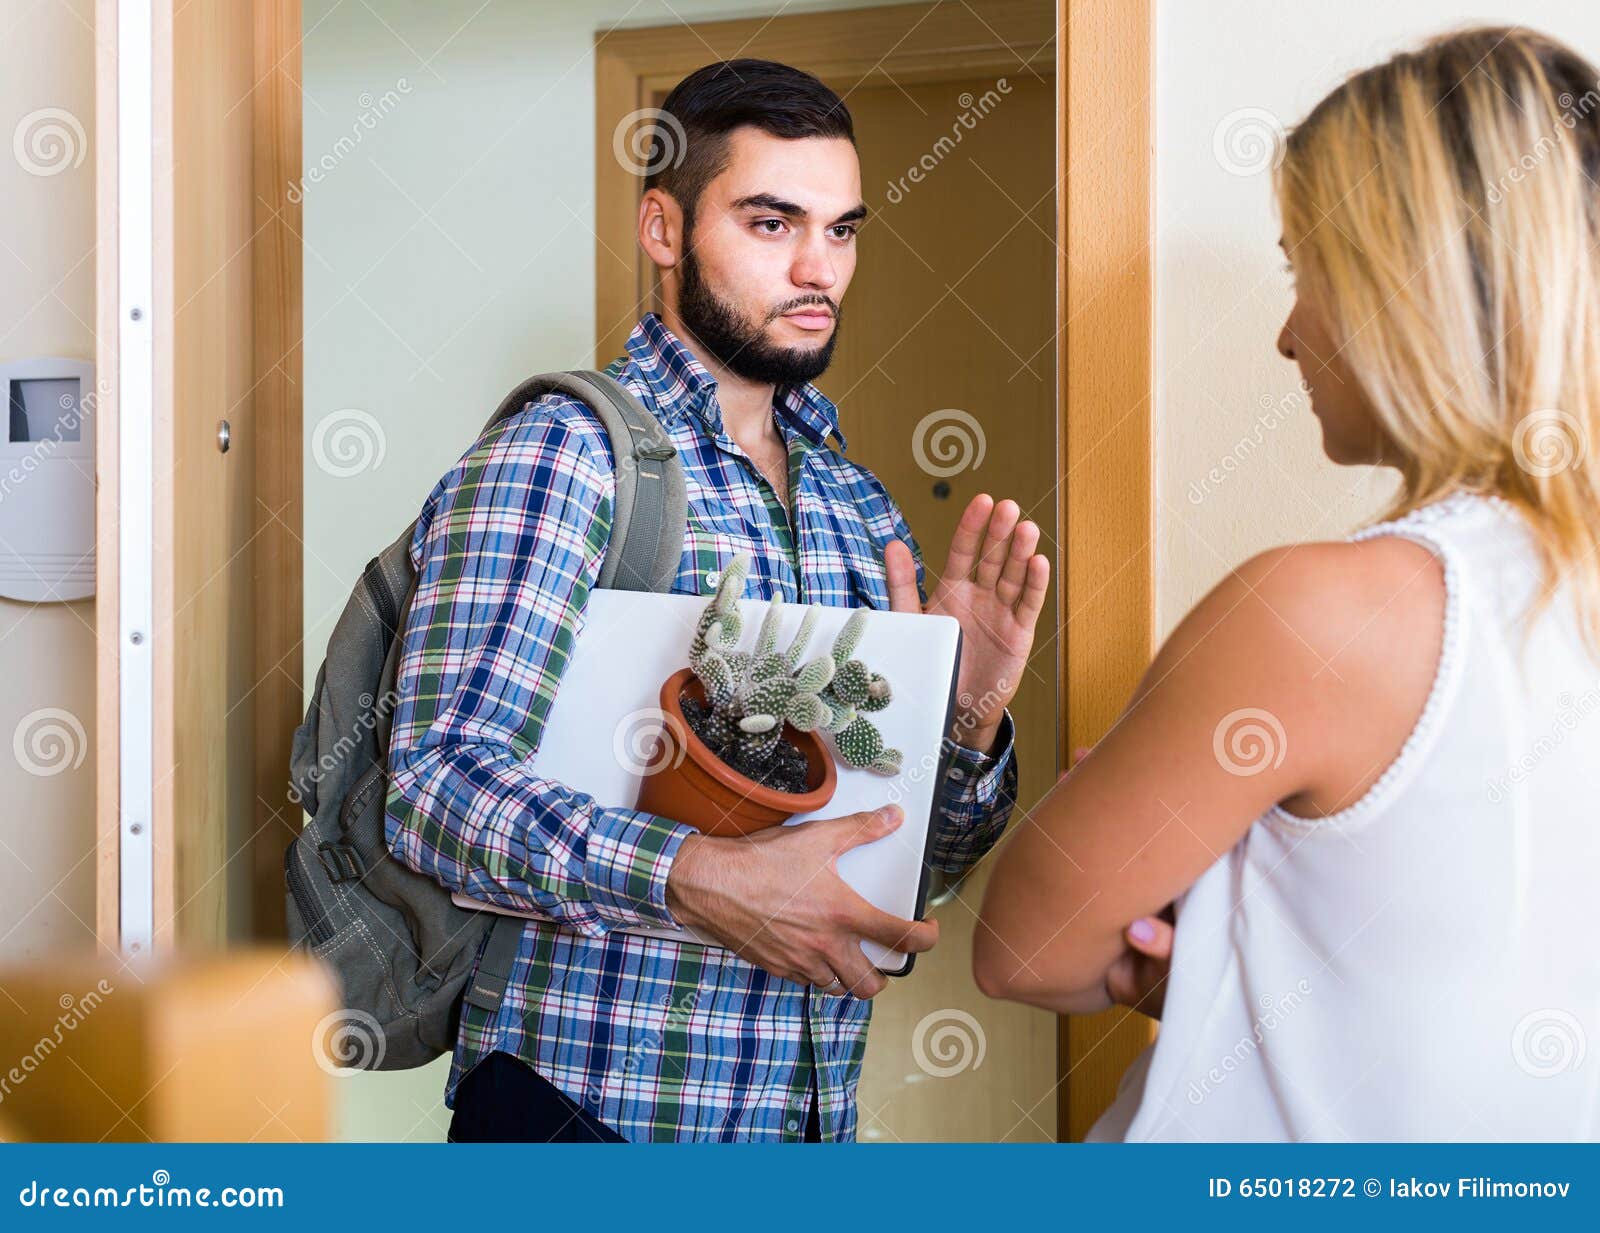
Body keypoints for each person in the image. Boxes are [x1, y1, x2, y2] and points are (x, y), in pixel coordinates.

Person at [383, 58, 1049, 1142]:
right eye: (771, 222)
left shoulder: (856, 501)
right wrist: (696, 875)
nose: (817, 267)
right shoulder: (565, 454)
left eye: (840, 230)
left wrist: (966, 717)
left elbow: (906, 863)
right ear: (662, 228)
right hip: (580, 1124)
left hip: (801, 1125)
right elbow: (436, 790)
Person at [976, 25, 1600, 1142]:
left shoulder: (1323, 612)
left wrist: (1207, 942)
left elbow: (1024, 945)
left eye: (1303, 269)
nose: (1284, 333)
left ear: (1397, 289)